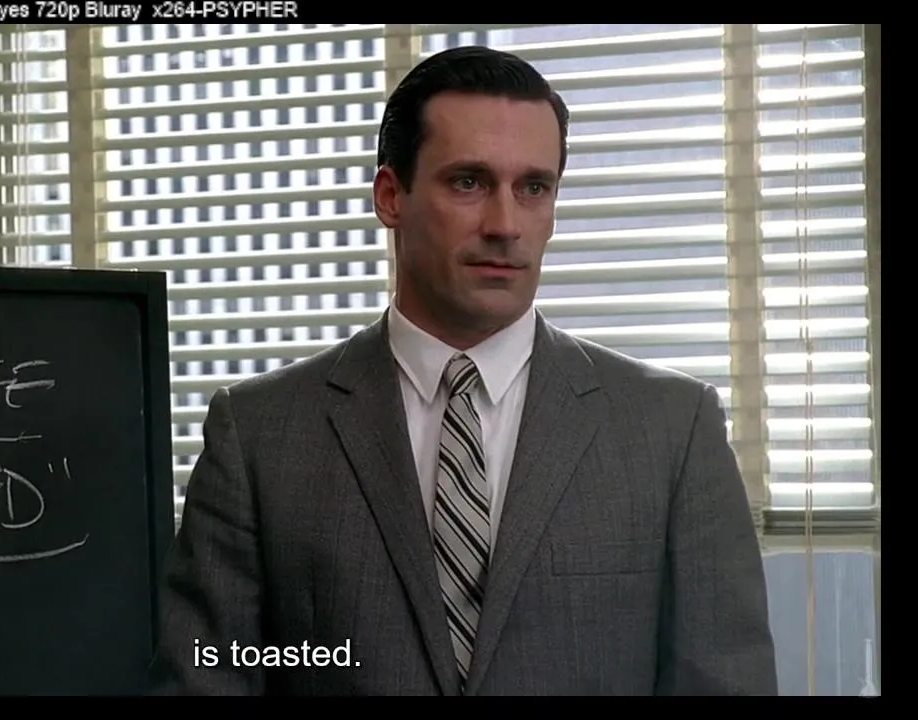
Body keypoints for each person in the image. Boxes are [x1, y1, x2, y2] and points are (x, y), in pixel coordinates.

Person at [149, 45, 778, 696]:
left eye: (533, 188)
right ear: (390, 196)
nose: (506, 225)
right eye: (469, 182)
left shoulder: (672, 431)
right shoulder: (259, 435)